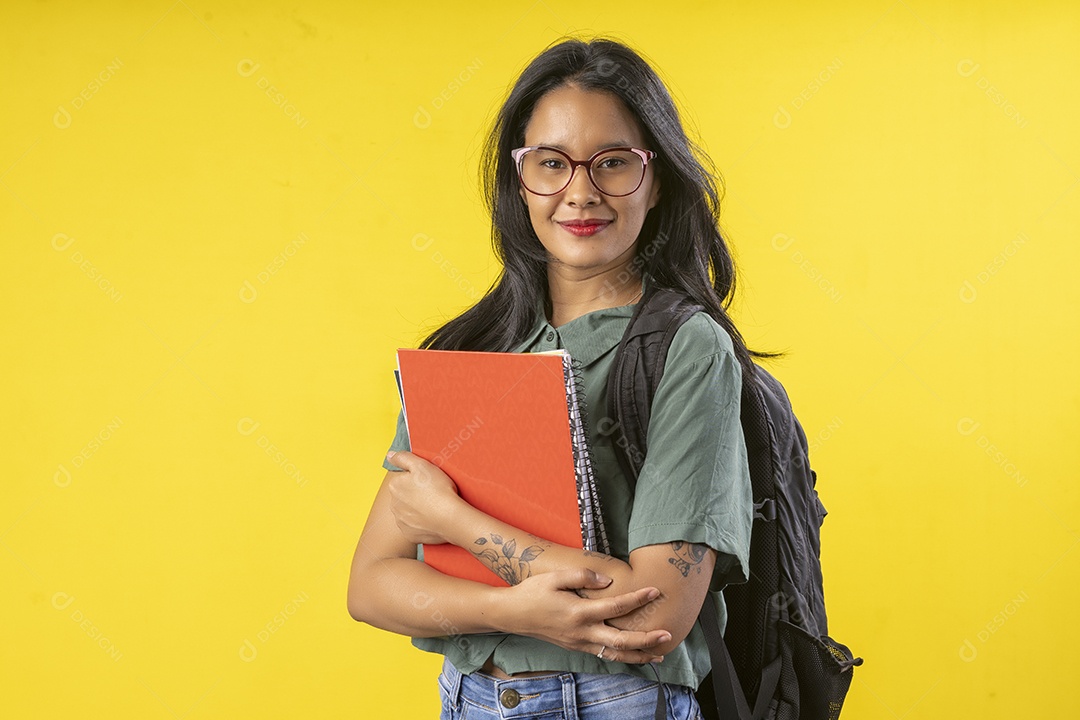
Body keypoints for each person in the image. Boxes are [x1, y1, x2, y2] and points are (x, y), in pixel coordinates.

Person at [349, 36, 755, 720]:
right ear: (519, 179)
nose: (581, 193)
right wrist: (518, 612)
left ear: (656, 181)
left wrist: (452, 519)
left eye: (614, 164)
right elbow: (372, 585)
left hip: (615, 701)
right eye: (552, 164)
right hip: (471, 699)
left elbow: (649, 617)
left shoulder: (686, 347)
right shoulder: (471, 349)